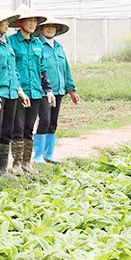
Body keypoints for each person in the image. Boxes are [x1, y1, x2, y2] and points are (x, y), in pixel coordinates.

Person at [0, 8, 31, 177]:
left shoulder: (7, 42)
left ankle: (1, 169)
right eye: (4, 22)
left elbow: (13, 69)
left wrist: (20, 91)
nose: (7, 25)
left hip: (11, 93)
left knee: (7, 131)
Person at [8, 5, 55, 175]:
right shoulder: (12, 42)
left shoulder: (37, 43)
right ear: (20, 22)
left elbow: (42, 69)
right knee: (18, 127)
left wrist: (48, 90)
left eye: (35, 21)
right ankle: (16, 164)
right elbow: (11, 67)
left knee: (29, 127)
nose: (33, 24)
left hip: (36, 91)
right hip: (19, 92)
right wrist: (18, 89)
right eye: (29, 20)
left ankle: (27, 163)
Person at [34, 16, 80, 164]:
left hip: (59, 90)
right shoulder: (37, 45)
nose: (50, 29)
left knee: (53, 122)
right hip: (43, 91)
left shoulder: (59, 47)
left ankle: (49, 154)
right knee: (44, 120)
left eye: (53, 27)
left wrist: (71, 89)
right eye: (47, 26)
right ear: (40, 28)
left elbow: (66, 69)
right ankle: (38, 155)